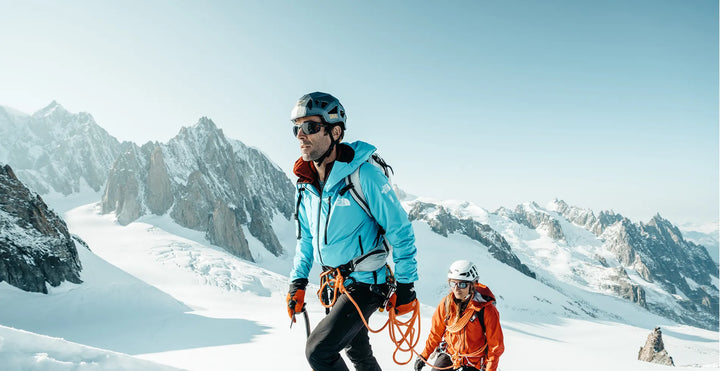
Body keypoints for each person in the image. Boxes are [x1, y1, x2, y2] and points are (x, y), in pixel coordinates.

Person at [285, 92, 419, 371]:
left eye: (310, 127)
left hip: (366, 283)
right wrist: (297, 282)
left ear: (335, 131)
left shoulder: (364, 176)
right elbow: (307, 239)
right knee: (358, 353)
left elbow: (399, 229)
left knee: (319, 352)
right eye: (297, 127)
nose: (301, 135)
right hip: (335, 285)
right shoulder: (306, 185)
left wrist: (406, 286)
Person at [414, 260, 504, 371]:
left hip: (474, 362)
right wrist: (424, 355)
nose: (456, 289)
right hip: (451, 355)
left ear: (473, 285)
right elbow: (435, 333)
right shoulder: (446, 304)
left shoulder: (486, 310)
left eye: (462, 284)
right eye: (453, 283)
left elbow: (495, 346)